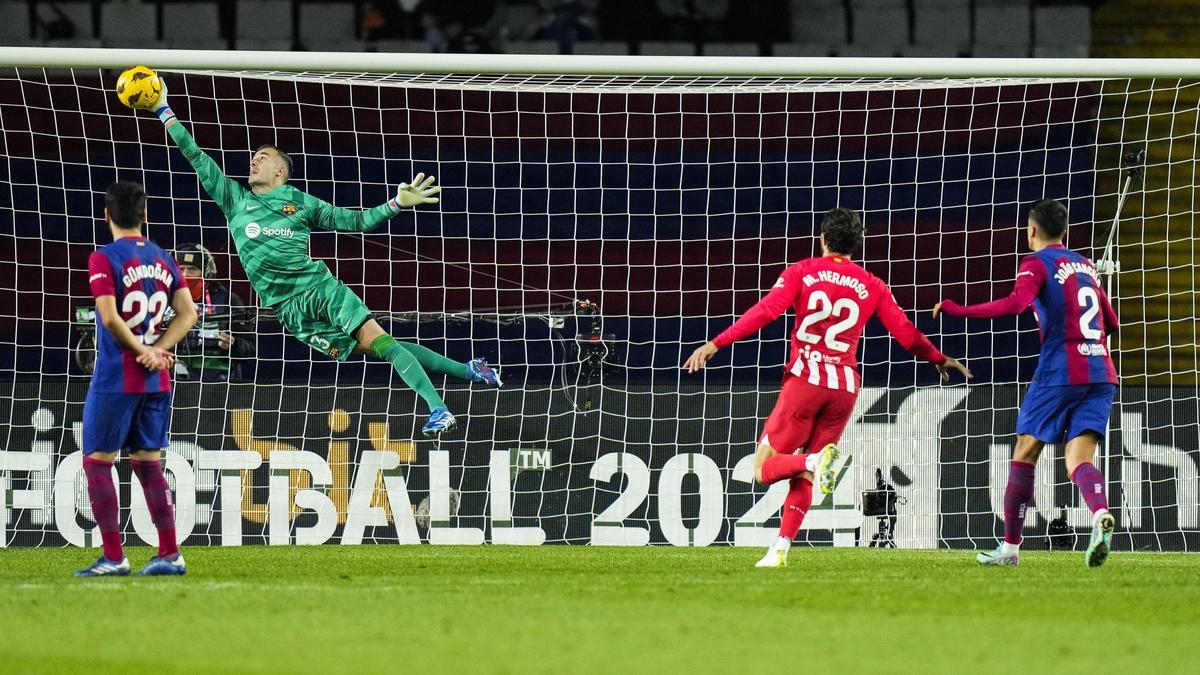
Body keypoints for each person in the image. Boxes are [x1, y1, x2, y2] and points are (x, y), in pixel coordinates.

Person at [141, 77, 501, 436]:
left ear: (280, 171)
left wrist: (396, 204)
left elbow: (356, 221)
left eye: (262, 158)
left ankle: (439, 408)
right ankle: (470, 370)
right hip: (289, 312)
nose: (253, 162)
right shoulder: (236, 201)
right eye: (253, 157)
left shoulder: (302, 203)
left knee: (385, 344)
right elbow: (196, 156)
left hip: (320, 289)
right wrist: (163, 109)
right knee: (381, 347)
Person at [684, 208, 971, 568]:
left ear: (822, 239)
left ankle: (813, 463)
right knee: (805, 475)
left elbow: (767, 311)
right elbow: (906, 333)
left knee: (763, 468)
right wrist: (937, 358)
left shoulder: (803, 271)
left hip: (805, 382)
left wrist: (716, 343)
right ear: (858, 246)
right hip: (844, 387)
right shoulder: (872, 284)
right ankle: (780, 550)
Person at [935, 199, 1119, 567]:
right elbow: (1111, 323)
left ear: (1031, 230)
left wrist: (958, 310)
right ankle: (1100, 515)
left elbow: (1015, 305)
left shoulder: (1036, 264)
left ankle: (1010, 550)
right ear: (1064, 233)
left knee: (1025, 452)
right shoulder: (1085, 266)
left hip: (1060, 373)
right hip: (1101, 373)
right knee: (1078, 459)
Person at [76, 181, 198, 577]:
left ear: (106, 215)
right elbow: (188, 313)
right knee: (148, 466)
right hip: (157, 380)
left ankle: (114, 557)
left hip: (117, 376)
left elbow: (110, 317)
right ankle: (169, 552)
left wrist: (141, 350)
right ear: (144, 216)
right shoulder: (164, 258)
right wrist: (159, 348)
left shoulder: (103, 257)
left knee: (97, 463)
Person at [173, 242, 255, 381]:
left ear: (206, 271)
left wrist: (233, 345)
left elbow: (250, 350)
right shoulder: (162, 300)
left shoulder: (228, 300)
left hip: (219, 388)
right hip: (173, 385)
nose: (186, 274)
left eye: (192, 269)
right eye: (181, 269)